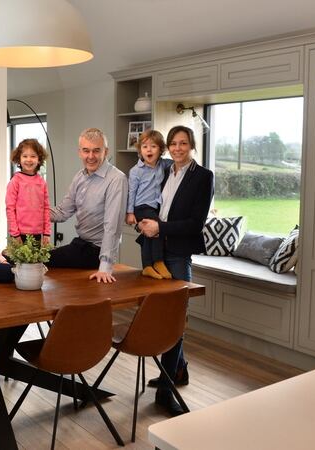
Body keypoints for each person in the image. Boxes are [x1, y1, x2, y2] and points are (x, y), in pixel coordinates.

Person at [137, 125, 214, 416]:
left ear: (192, 145)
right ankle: (178, 370)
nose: (178, 148)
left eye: (183, 143)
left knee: (175, 319)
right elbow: (150, 202)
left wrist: (162, 227)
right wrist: (144, 221)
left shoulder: (203, 177)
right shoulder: (164, 170)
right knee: (160, 314)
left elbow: (196, 223)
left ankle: (166, 391)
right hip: (155, 247)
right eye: (173, 144)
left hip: (179, 252)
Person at [48, 128, 128, 283]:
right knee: (33, 257)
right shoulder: (80, 176)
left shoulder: (117, 179)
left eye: (96, 151)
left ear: (106, 151)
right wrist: (31, 212)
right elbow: (63, 212)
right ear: (79, 152)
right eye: (86, 151)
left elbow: (112, 226)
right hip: (80, 245)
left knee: (39, 260)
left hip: (96, 253)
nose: (91, 156)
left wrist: (104, 268)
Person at [126, 129, 173, 280]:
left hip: (155, 208)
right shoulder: (135, 171)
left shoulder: (164, 165)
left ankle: (147, 266)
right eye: (145, 146)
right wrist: (130, 212)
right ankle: (158, 261)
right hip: (141, 207)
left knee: (147, 235)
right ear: (140, 150)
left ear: (161, 150)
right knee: (157, 227)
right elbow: (131, 193)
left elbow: (179, 162)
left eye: (153, 146)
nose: (149, 150)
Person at [5, 139, 51, 246]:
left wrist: (47, 233)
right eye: (25, 156)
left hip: (38, 234)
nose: (29, 159)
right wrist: (15, 234)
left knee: (36, 262)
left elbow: (46, 208)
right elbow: (10, 209)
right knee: (20, 262)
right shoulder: (15, 181)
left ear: (39, 159)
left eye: (33, 156)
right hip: (19, 234)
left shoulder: (42, 182)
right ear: (19, 159)